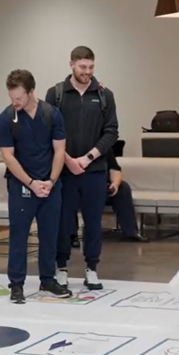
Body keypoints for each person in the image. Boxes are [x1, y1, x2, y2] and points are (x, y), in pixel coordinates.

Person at [0, 69, 72, 303]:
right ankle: (16, 284)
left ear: (31, 92)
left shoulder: (52, 114)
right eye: (11, 97)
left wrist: (51, 181)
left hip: (50, 184)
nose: (14, 102)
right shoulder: (6, 119)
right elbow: (8, 156)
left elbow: (59, 150)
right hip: (21, 184)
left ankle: (48, 279)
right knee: (18, 235)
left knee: (50, 235)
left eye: (19, 97)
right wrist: (30, 182)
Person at [47, 46, 120, 290]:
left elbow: (111, 132)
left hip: (95, 170)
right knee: (63, 222)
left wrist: (88, 158)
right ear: (71, 65)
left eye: (91, 67)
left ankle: (92, 269)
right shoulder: (56, 94)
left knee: (93, 222)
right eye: (82, 67)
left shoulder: (104, 95)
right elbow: (49, 131)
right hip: (64, 170)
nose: (87, 72)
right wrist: (68, 159)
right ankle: (61, 268)